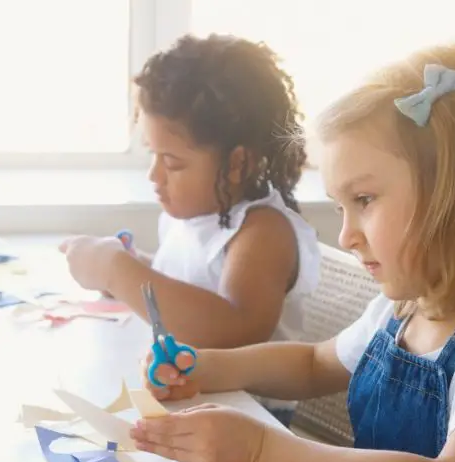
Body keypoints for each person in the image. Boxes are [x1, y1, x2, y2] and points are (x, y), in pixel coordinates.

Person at [129, 41, 455, 462]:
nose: (346, 235)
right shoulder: (402, 308)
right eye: (342, 207)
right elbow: (314, 363)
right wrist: (206, 366)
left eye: (364, 199)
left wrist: (260, 451)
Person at [59, 34, 322, 422]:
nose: (154, 175)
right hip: (191, 401)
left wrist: (118, 270)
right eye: (153, 155)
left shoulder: (262, 231)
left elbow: (233, 332)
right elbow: (191, 287)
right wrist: (138, 265)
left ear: (237, 164)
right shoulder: (192, 217)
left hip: (248, 424)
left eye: (172, 162)